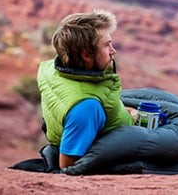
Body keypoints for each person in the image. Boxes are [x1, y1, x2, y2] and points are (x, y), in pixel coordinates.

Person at [37, 10, 136, 168]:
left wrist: (128, 113)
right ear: (86, 55)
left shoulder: (53, 69)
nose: (113, 50)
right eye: (106, 45)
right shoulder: (86, 108)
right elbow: (69, 166)